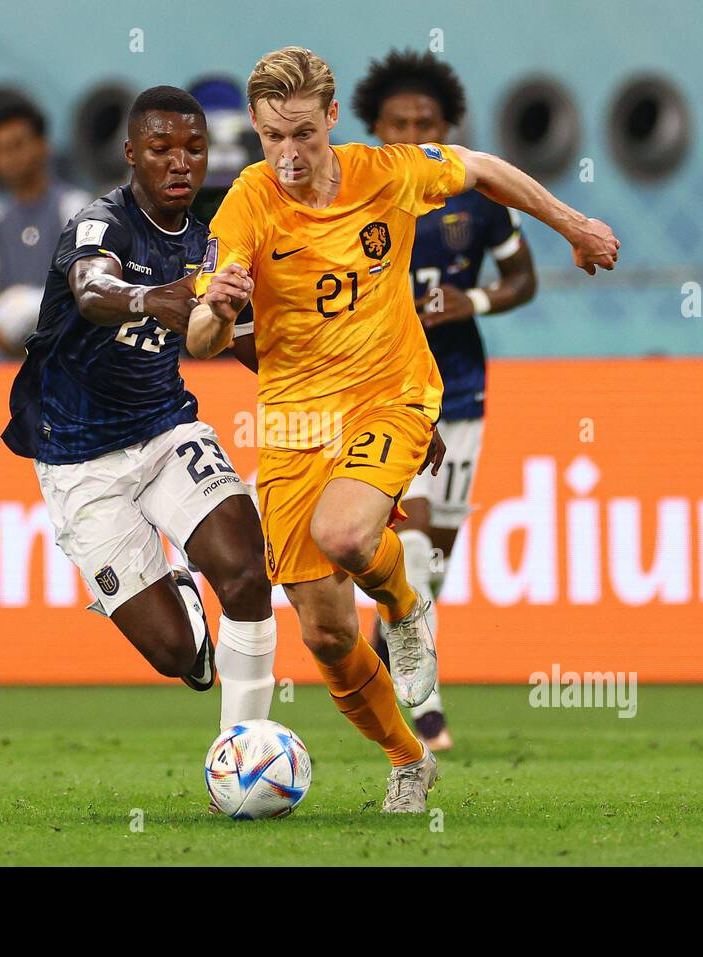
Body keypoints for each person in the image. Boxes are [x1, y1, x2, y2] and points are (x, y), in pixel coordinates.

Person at [189, 47, 618, 812]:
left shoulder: (386, 173)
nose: (288, 156)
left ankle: (404, 605)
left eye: (302, 136)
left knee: (349, 534)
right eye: (271, 138)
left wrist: (575, 225)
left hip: (392, 395)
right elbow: (201, 341)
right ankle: (408, 757)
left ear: (331, 119)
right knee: (322, 632)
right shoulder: (246, 204)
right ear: (256, 130)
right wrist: (216, 307)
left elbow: (483, 168)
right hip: (294, 423)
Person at [2, 86, 276, 733]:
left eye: (194, 149)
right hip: (79, 462)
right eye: (162, 149)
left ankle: (241, 749)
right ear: (132, 154)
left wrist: (349, 391)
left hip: (165, 430)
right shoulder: (101, 224)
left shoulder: (210, 243)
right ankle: (179, 602)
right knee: (177, 655)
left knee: (245, 575)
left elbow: (248, 342)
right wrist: (156, 299)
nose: (181, 162)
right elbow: (93, 289)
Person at [352, 49, 539, 752]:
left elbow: (524, 281)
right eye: (397, 122)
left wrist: (476, 299)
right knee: (419, 552)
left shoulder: (475, 201)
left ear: (447, 126)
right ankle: (422, 710)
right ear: (375, 128)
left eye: (424, 122)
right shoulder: (357, 198)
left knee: (437, 562)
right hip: (388, 396)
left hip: (461, 392)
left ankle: (391, 644)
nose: (411, 132)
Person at [0, 101, 91, 359]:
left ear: (43, 146)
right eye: (0, 149)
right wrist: (0, 327)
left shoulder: (76, 207)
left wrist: (30, 310)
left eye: (17, 145)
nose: (10, 157)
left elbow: (87, 283)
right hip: (11, 366)